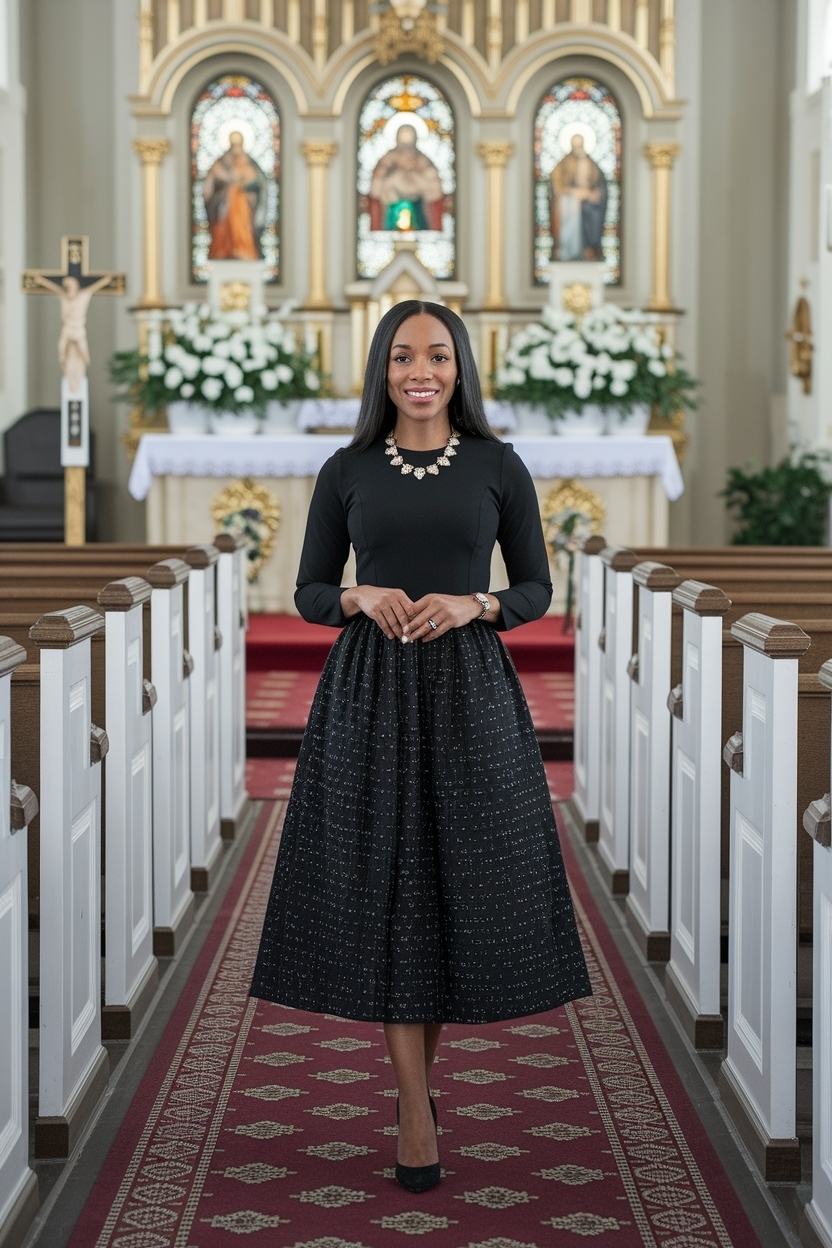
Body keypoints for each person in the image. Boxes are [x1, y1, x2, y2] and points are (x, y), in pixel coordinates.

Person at [250, 300, 591, 1194]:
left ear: (460, 366)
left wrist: (477, 605)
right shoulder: (347, 467)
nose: (420, 371)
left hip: (471, 689)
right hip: (370, 692)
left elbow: (537, 589)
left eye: (437, 355)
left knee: (448, 889)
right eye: (402, 356)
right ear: (382, 368)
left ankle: (419, 1085)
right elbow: (310, 590)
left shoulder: (498, 465)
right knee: (388, 886)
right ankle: (411, 1107)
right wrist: (358, 599)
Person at [203, 130, 267, 261]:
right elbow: (211, 181)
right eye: (233, 144)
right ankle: (222, 250)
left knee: (242, 227)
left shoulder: (249, 163)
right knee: (223, 226)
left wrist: (243, 183)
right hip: (225, 203)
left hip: (243, 203)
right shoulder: (222, 162)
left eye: (238, 144)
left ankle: (244, 249)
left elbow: (258, 182)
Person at [368, 124, 445, 231]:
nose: (406, 147)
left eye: (409, 140)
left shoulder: (422, 159)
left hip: (418, 203)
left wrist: (415, 175)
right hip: (393, 200)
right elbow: (378, 180)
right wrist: (394, 176)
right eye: (403, 141)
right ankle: (390, 227)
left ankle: (422, 227)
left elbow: (433, 181)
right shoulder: (389, 157)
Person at [549, 132, 607, 262]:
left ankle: (590, 248)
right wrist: (574, 192)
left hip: (587, 200)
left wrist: (593, 193)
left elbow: (599, 185)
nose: (578, 149)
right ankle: (567, 250)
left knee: (592, 211)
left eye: (580, 145)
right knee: (569, 210)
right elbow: (557, 184)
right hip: (568, 198)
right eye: (575, 145)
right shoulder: (563, 163)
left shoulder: (591, 163)